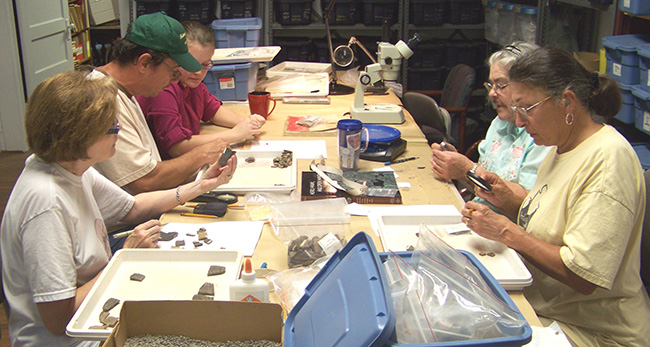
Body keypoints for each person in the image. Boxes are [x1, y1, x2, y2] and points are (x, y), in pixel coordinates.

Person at [0, 70, 236, 347]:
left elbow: (132, 208)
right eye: (112, 126)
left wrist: (200, 186)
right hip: (72, 338)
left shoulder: (72, 168)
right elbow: (57, 320)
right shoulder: (46, 204)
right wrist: (122, 259)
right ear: (80, 135)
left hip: (94, 310)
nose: (119, 130)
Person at [461, 46, 650, 346]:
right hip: (545, 308)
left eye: (526, 109)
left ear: (567, 102)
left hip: (594, 331)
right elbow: (555, 217)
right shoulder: (559, 147)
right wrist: (505, 198)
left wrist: (506, 231)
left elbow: (583, 275)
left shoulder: (607, 159)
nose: (520, 122)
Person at [89, 12, 228, 195]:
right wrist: (199, 156)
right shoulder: (102, 100)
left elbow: (148, 169)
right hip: (127, 220)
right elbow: (142, 182)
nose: (175, 80)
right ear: (144, 63)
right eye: (174, 72)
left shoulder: (127, 90)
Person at [430, 42, 549, 216]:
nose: (492, 93)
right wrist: (456, 167)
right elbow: (484, 187)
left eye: (501, 85)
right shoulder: (500, 123)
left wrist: (468, 169)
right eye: (490, 85)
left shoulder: (540, 134)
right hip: (479, 217)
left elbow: (530, 206)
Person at [137, 21, 266, 160]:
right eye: (191, 64)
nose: (198, 72)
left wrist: (246, 123)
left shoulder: (191, 82)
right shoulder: (164, 88)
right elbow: (176, 147)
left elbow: (212, 110)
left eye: (205, 65)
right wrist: (234, 135)